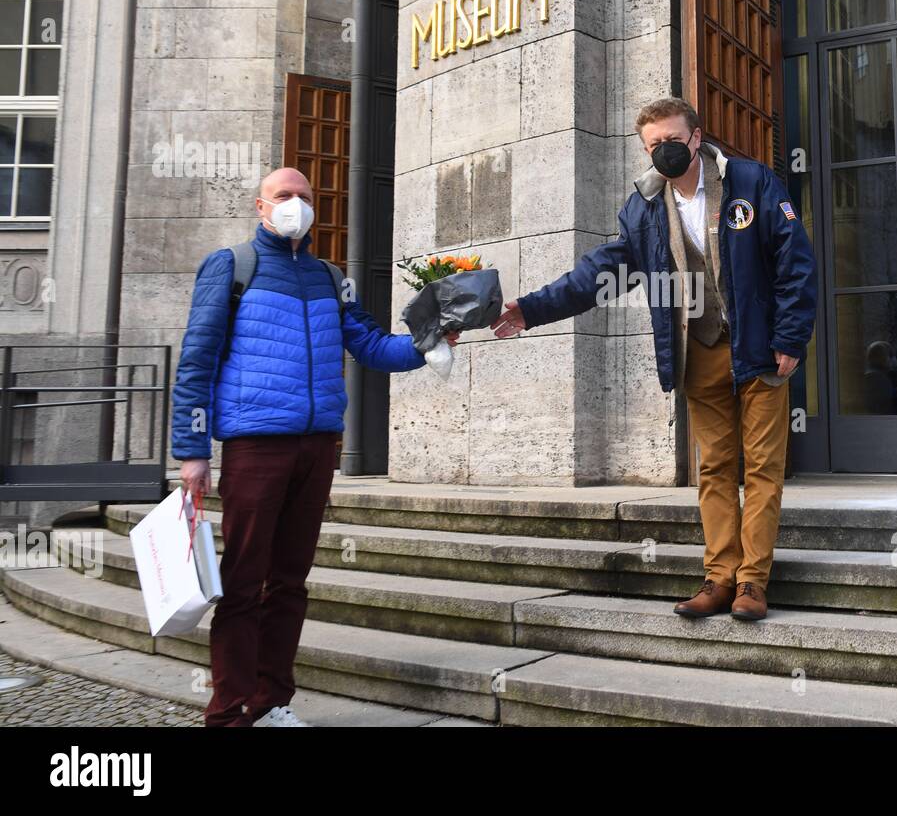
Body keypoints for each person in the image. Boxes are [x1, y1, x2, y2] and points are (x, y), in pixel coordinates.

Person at [492, 97, 817, 620]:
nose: (663, 151)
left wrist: (791, 337)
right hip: (700, 353)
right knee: (713, 468)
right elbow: (597, 275)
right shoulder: (642, 207)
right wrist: (530, 310)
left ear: (695, 137)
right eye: (652, 145)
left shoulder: (750, 182)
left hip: (759, 347)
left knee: (762, 467)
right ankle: (719, 577)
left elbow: (794, 260)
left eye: (671, 140)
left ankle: (753, 583)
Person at [171, 167, 446, 726]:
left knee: (290, 583)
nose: (295, 204)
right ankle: (227, 712)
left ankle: (272, 704)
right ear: (260, 207)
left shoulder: (330, 276)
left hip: (318, 446)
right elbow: (197, 358)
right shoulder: (231, 267)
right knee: (244, 583)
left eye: (304, 196)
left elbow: (369, 344)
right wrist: (192, 450)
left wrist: (429, 344)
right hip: (255, 446)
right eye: (284, 196)